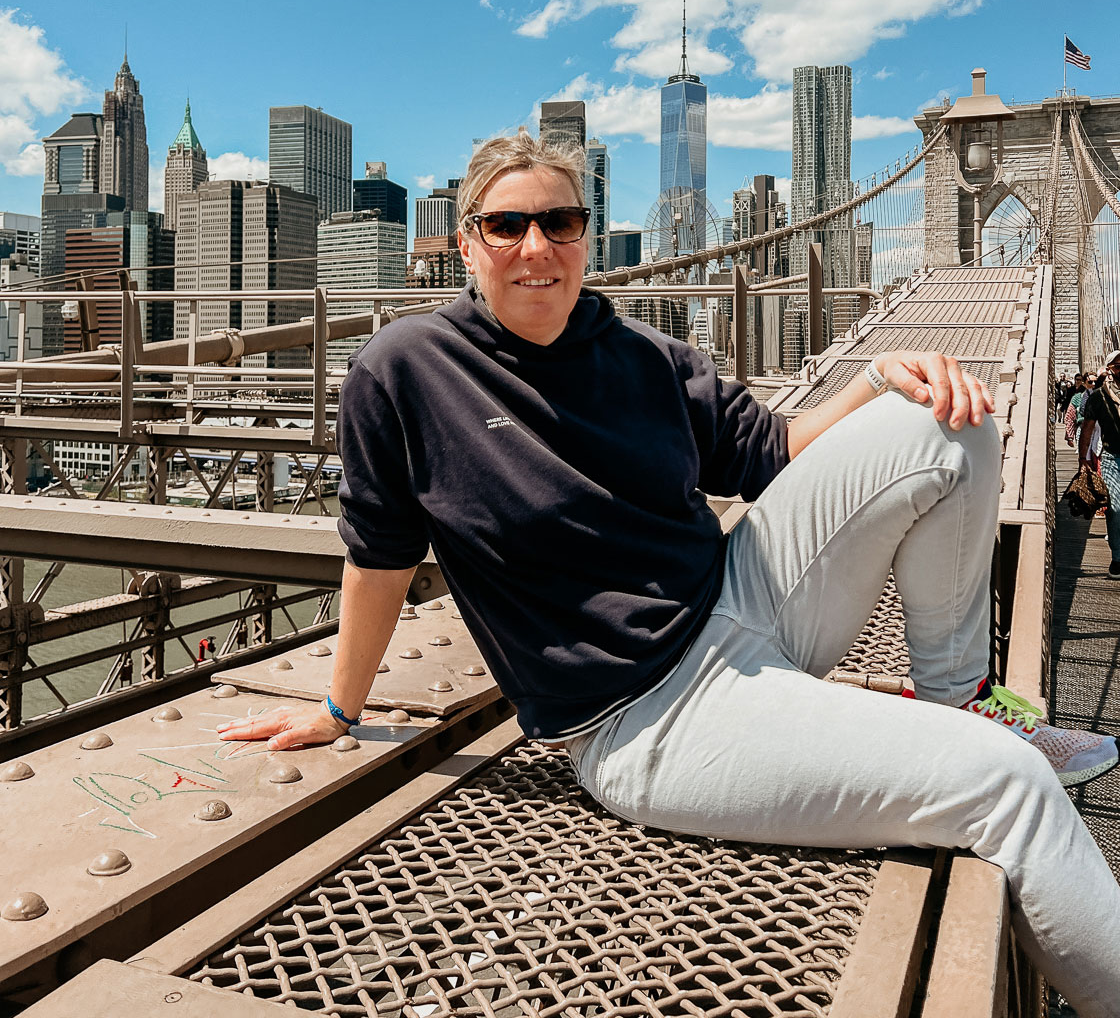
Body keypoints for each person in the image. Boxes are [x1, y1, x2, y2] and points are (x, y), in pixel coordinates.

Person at [219, 130, 1120, 1018]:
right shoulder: (405, 372)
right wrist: (340, 707)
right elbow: (379, 555)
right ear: (466, 242)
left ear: (584, 235)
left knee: (950, 421)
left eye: (560, 223)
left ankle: (956, 694)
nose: (535, 247)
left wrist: (880, 381)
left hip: (746, 597)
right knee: (1007, 784)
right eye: (505, 227)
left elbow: (769, 452)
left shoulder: (640, 353)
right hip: (651, 715)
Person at [1078, 350, 1120, 580]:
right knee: (1116, 508)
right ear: (1110, 369)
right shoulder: (1097, 397)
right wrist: (1083, 457)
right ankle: (1117, 559)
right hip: (1113, 457)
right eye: (1117, 365)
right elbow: (1087, 427)